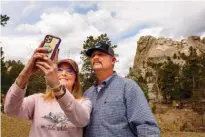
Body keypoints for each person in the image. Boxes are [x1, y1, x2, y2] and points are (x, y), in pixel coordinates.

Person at [4, 47, 92, 137]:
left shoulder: (84, 102)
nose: (64, 73)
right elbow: (10, 110)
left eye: (69, 71)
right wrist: (26, 73)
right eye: (59, 69)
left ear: (76, 79)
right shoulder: (37, 99)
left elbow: (82, 121)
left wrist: (58, 88)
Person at [83, 42, 160, 137]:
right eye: (93, 55)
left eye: (100, 54)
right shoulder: (87, 94)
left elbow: (146, 127)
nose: (95, 57)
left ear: (113, 60)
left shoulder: (128, 87)